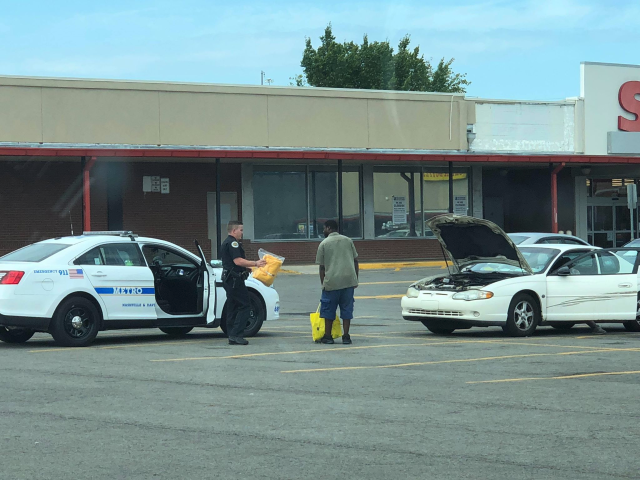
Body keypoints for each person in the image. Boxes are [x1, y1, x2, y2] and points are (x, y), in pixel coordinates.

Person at [219, 220, 266, 346]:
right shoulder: (233, 243)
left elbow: (232, 262)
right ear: (234, 230)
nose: (242, 233)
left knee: (232, 307)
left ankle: (231, 335)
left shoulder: (226, 242)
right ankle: (237, 335)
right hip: (235, 280)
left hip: (230, 279)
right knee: (245, 305)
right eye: (241, 230)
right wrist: (255, 263)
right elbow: (237, 261)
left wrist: (246, 268)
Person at [316, 219, 359, 345]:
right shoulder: (348, 240)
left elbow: (322, 267)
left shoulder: (324, 244)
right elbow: (355, 261)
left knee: (328, 310)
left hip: (331, 282)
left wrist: (323, 283)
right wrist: (355, 278)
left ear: (329, 228)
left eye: (324, 228)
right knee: (347, 310)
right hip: (348, 281)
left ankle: (328, 336)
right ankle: (346, 336)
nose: (323, 231)